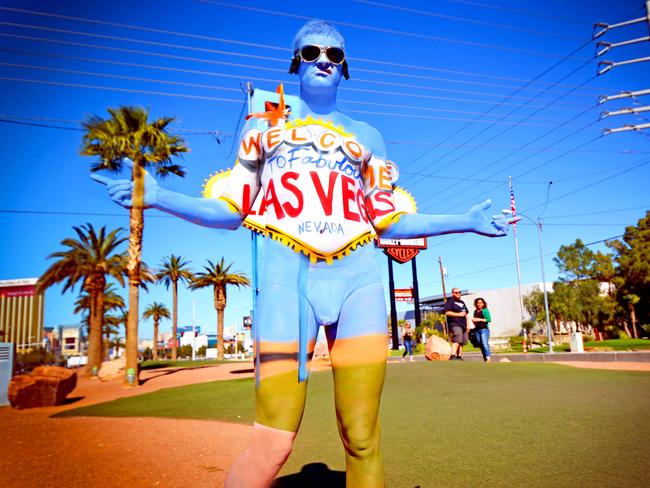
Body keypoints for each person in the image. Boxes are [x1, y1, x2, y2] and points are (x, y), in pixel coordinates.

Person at [92, 20, 515, 488]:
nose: (322, 62)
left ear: (345, 68)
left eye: (334, 55)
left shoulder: (368, 136)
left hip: (359, 283)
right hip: (285, 282)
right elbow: (231, 208)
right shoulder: (265, 123)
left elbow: (390, 220)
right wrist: (158, 196)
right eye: (312, 52)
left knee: (362, 436)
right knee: (272, 444)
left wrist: (467, 222)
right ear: (295, 61)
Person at [444, 288, 469, 360]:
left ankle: (459, 356)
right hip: (455, 323)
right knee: (457, 337)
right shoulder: (450, 302)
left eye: (459, 292)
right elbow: (447, 312)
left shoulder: (462, 302)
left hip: (463, 324)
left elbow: (466, 313)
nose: (458, 294)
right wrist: (459, 314)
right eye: (456, 292)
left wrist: (468, 324)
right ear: (453, 293)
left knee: (462, 341)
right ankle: (452, 355)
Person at [472, 297, 492, 362]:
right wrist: (474, 321)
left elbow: (489, 319)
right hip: (477, 330)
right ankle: (485, 358)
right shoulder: (475, 311)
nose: (479, 304)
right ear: (476, 304)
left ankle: (488, 358)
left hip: (484, 330)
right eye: (478, 303)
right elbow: (475, 321)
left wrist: (479, 319)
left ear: (483, 304)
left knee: (484, 344)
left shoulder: (485, 310)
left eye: (481, 303)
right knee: (480, 345)